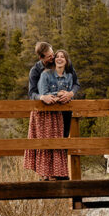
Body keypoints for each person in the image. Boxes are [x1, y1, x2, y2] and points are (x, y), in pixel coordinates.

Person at [24, 50, 78, 180]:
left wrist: (70, 94)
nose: (55, 58)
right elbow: (37, 93)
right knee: (45, 143)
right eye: (53, 56)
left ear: (66, 60)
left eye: (61, 56)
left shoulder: (70, 73)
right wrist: (56, 94)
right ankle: (45, 174)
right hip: (46, 111)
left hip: (64, 111)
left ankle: (60, 172)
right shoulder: (41, 73)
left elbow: (76, 85)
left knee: (62, 141)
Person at [28, 42, 80, 136]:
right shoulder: (35, 71)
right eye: (49, 56)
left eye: (53, 54)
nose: (53, 57)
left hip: (65, 108)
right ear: (41, 58)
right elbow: (32, 93)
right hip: (46, 111)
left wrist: (70, 94)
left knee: (64, 136)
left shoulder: (65, 64)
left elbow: (76, 83)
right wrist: (42, 97)